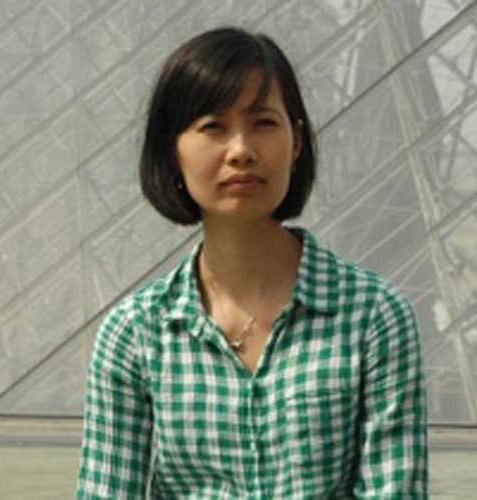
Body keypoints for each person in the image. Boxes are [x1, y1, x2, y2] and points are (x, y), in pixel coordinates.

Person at [76, 27, 428, 499]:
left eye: (263, 123)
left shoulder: (373, 316)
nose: (241, 150)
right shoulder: (135, 332)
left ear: (296, 143)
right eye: (213, 126)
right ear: (171, 151)